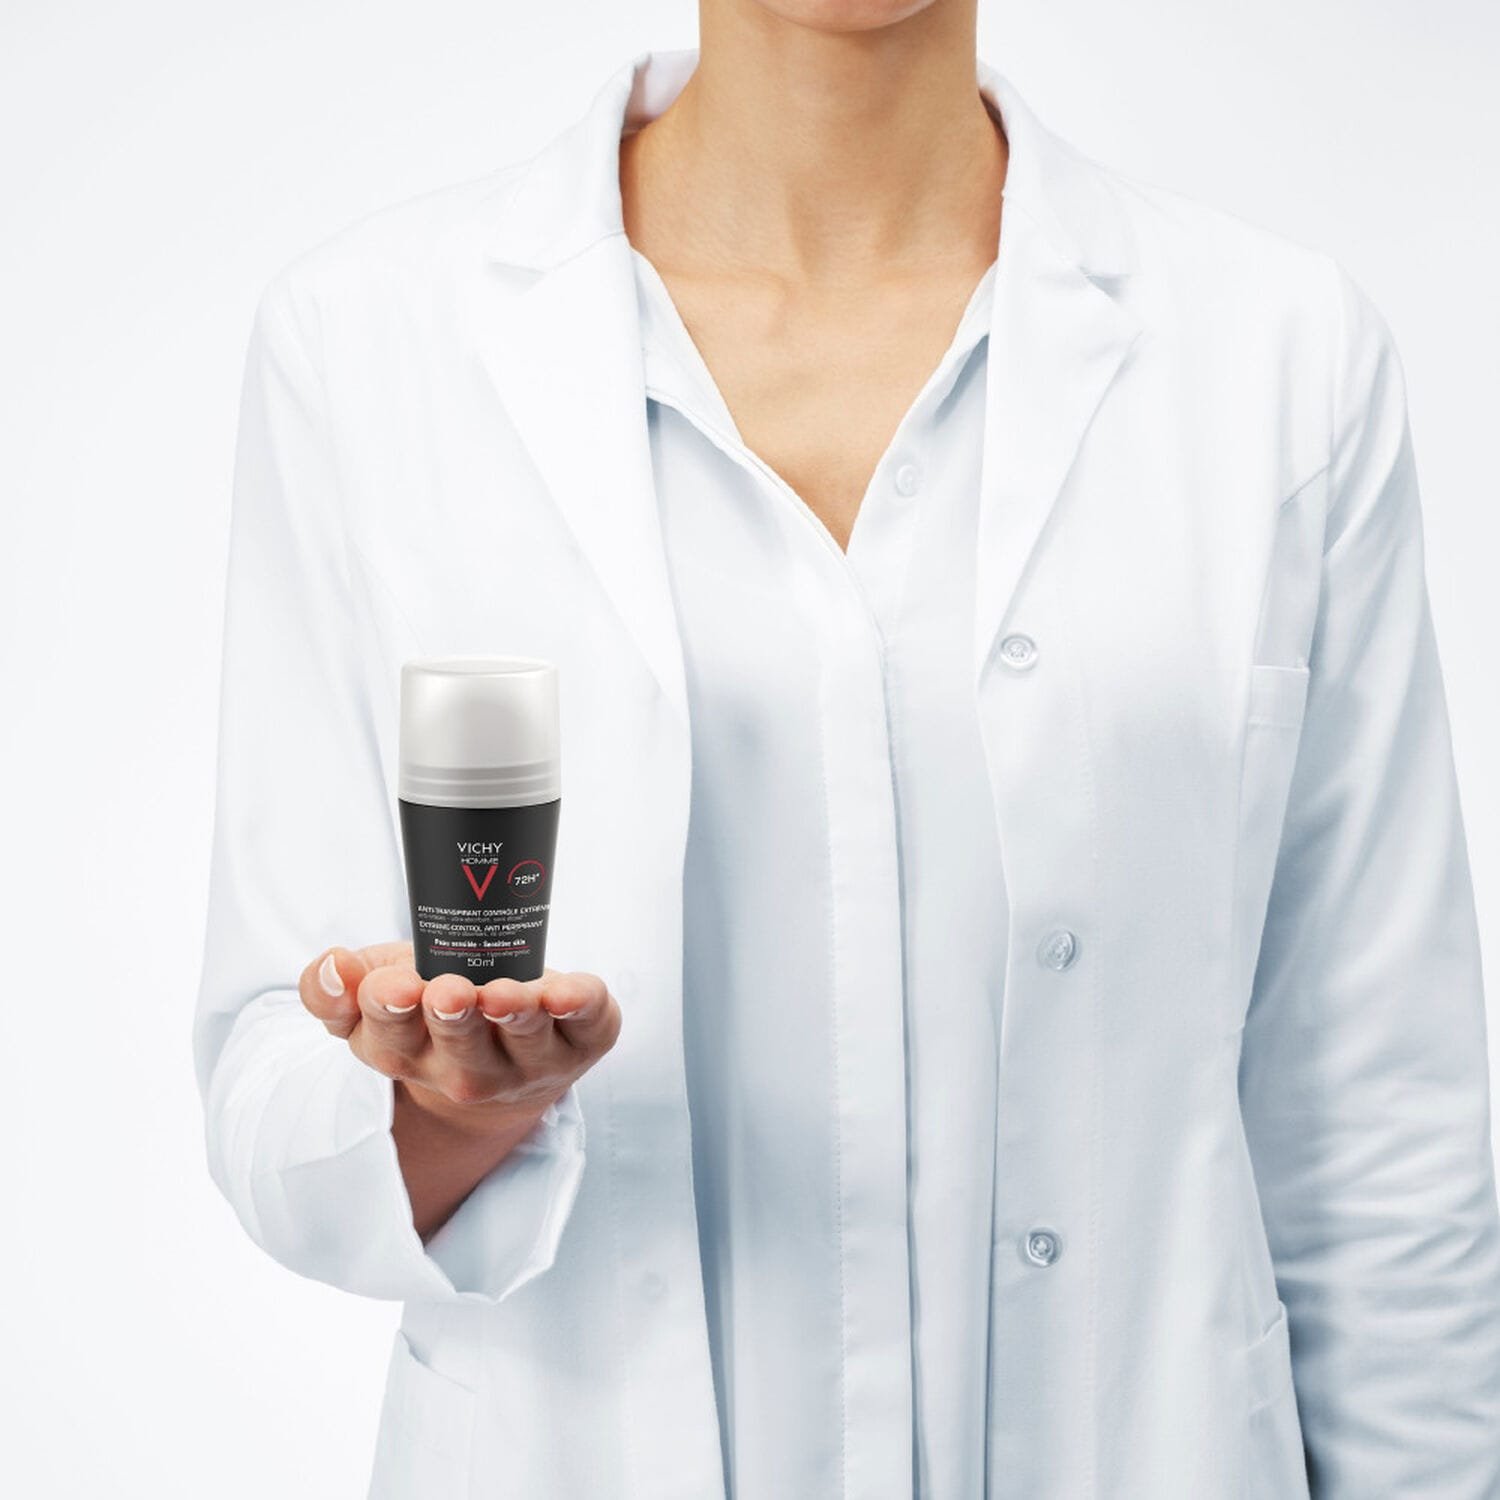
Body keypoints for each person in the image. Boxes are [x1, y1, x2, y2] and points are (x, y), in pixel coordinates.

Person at [194, 6, 1500, 1499]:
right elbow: (271, 1085)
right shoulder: (370, 345)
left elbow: (1380, 1130)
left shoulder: (1279, 357)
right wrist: (443, 1109)